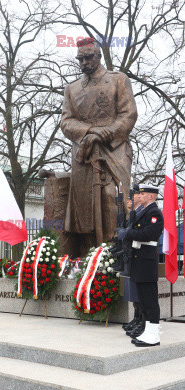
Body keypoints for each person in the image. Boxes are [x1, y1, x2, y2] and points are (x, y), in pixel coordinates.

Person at [61, 37, 138, 247]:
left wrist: (104, 133)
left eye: (88, 57)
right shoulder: (72, 88)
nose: (84, 62)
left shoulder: (118, 79)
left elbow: (128, 114)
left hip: (114, 148)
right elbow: (66, 121)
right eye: (80, 59)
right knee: (84, 205)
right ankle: (89, 253)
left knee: (111, 196)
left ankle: (116, 247)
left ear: (98, 56)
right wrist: (90, 132)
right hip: (84, 150)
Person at [124, 183, 164, 347]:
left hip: (146, 262)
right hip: (140, 261)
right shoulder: (145, 211)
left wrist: (128, 233)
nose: (140, 195)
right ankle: (148, 331)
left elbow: (150, 234)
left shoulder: (154, 212)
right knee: (144, 300)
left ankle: (154, 334)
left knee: (150, 300)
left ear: (151, 196)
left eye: (143, 193)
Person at [120, 184, 144, 337]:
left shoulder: (142, 213)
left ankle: (142, 320)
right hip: (130, 256)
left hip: (139, 257)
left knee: (139, 292)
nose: (128, 200)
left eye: (131, 197)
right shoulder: (133, 214)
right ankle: (137, 318)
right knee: (133, 291)